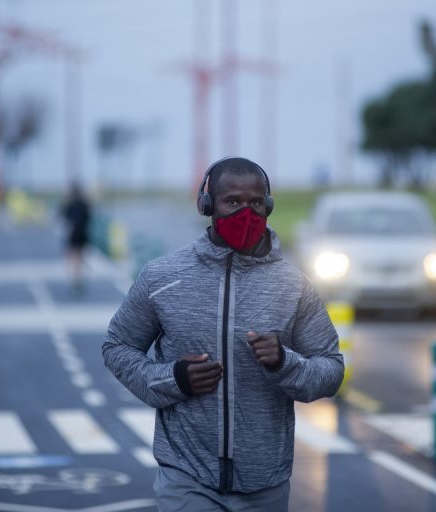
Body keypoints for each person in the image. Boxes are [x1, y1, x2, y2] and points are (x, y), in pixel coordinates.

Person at [102, 157, 344, 511]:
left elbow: (331, 369)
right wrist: (173, 379)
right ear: (207, 205)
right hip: (186, 476)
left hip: (266, 482)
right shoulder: (162, 277)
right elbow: (117, 347)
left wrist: (284, 362)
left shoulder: (293, 286)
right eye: (232, 201)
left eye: (256, 203)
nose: (246, 213)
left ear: (269, 206)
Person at [61, 182, 91, 292]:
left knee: (72, 255)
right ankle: (79, 275)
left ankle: (73, 276)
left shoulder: (70, 204)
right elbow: (89, 218)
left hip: (74, 232)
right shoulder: (85, 204)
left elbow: (64, 217)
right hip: (83, 232)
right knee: (79, 255)